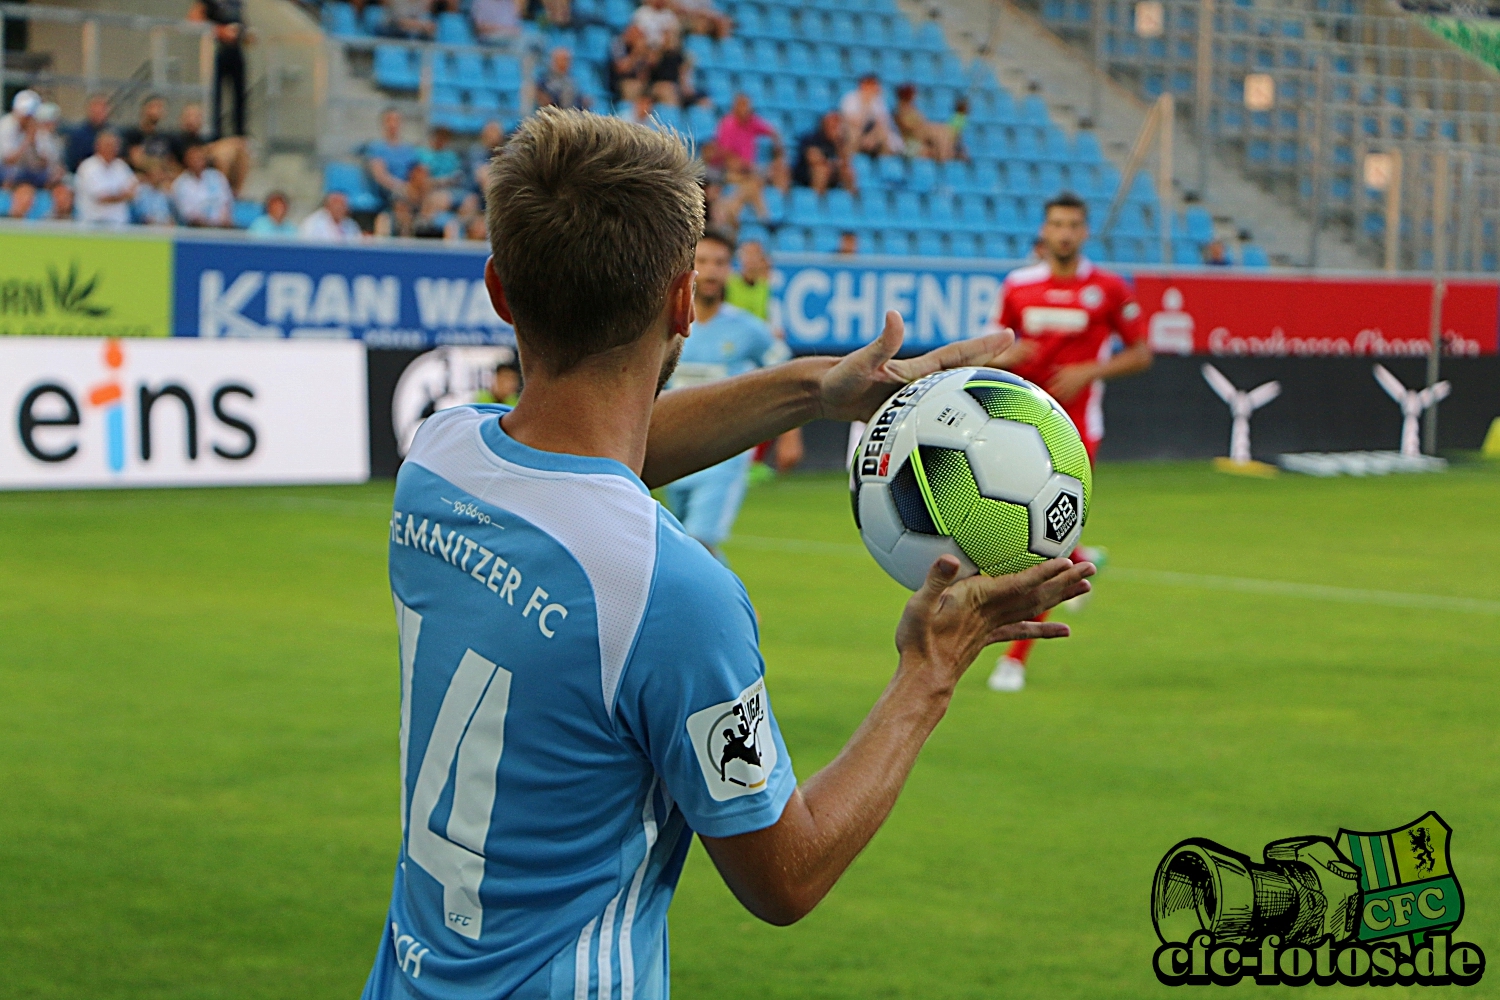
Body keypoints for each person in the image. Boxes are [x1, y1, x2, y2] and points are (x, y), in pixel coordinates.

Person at [359, 107, 1090, 1000]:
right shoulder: (670, 594)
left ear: (500, 291)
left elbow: (595, 456)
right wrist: (930, 667)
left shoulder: (437, 460)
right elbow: (786, 875)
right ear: (684, 301)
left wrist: (821, 392)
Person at [986, 191, 1151, 692]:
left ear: (1084, 232)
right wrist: (1010, 354)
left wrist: (1091, 370)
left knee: (1041, 545)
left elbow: (1142, 352)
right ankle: (1082, 561)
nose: (1064, 232)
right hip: (1018, 426)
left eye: (1073, 225)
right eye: (1056, 223)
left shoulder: (1108, 288)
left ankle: (1015, 657)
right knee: (1016, 533)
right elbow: (994, 349)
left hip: (1076, 434)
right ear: (1045, 230)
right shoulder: (1018, 286)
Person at [725, 239, 804, 476]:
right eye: (745, 255)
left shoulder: (765, 287)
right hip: (732, 355)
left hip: (755, 357)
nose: (749, 261)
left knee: (766, 406)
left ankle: (754, 463)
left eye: (754, 256)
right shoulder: (729, 284)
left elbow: (769, 321)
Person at [188, 0, 249, 139]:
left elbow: (242, 22)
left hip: (235, 51)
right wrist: (220, 31)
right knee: (214, 96)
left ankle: (239, 134)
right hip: (215, 51)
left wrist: (244, 33)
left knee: (240, 96)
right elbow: (193, 20)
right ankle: (215, 134)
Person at [174, 102, 251, 194]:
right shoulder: (177, 140)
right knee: (222, 156)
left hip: (208, 173)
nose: (193, 120)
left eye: (196, 116)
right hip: (188, 177)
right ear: (182, 119)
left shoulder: (203, 139)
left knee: (240, 146)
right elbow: (191, 155)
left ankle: (235, 194)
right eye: (190, 116)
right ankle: (221, 193)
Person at [74, 130, 138, 226]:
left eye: (114, 145)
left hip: (119, 224)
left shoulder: (121, 166)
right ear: (98, 146)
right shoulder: (88, 167)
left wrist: (121, 195)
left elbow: (134, 190)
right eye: (107, 145)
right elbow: (101, 197)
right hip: (93, 224)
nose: (111, 149)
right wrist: (123, 195)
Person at [366, 108, 421, 208]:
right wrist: (403, 187)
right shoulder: (377, 148)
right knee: (403, 200)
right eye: (389, 120)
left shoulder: (409, 149)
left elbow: (417, 173)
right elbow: (380, 176)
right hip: (388, 191)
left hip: (409, 190)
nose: (393, 124)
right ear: (383, 124)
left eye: (396, 120)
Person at [170, 142, 234, 227]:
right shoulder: (180, 184)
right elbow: (187, 215)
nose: (197, 161)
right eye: (193, 158)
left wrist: (224, 220)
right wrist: (207, 225)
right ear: (186, 160)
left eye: (199, 158)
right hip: (195, 230)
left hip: (221, 227)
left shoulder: (217, 177)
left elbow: (226, 201)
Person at [714, 93, 777, 177]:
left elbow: (773, 132)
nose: (745, 109)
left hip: (749, 167)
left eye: (747, 106)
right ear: (735, 107)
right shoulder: (727, 124)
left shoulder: (753, 121)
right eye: (742, 105)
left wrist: (777, 154)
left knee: (776, 171)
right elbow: (725, 152)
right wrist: (744, 165)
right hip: (730, 167)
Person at [839, 74, 902, 156]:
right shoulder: (850, 98)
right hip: (854, 131)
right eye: (872, 85)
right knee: (853, 133)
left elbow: (883, 122)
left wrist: (871, 137)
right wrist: (866, 105)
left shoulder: (878, 101)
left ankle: (884, 163)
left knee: (884, 134)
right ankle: (850, 159)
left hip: (871, 133)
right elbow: (854, 121)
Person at [793, 110, 853, 195]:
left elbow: (846, 161)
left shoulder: (839, 142)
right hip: (807, 175)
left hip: (832, 173)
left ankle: (852, 203)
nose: (835, 128)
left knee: (848, 172)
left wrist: (838, 144)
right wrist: (834, 164)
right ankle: (817, 203)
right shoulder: (811, 139)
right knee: (821, 171)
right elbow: (814, 159)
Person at [893, 83, 955, 162]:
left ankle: (944, 158)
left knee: (945, 132)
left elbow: (920, 122)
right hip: (913, 139)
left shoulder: (913, 108)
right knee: (941, 132)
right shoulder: (901, 110)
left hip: (922, 137)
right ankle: (943, 159)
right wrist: (920, 126)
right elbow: (907, 125)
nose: (913, 96)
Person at [122, 94, 176, 173]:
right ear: (143, 109)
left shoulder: (165, 137)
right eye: (153, 106)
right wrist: (160, 163)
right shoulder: (133, 134)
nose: (157, 110)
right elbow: (137, 161)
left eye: (160, 107)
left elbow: (171, 164)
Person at [65, 93, 111, 173]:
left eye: (102, 109)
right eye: (95, 108)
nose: (98, 111)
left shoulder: (113, 133)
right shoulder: (78, 135)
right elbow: (74, 162)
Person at [132, 161, 176, 225]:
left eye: (159, 174)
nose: (157, 177)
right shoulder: (141, 192)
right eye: (154, 174)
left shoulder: (166, 193)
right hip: (146, 228)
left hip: (165, 227)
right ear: (148, 175)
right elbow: (143, 216)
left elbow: (170, 214)